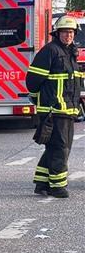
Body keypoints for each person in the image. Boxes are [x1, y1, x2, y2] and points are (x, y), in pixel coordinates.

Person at [27, 15, 84, 198]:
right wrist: (42, 102)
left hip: (66, 110)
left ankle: (42, 182)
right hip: (55, 109)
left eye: (71, 32)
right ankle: (57, 186)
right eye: (65, 32)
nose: (68, 35)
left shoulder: (70, 53)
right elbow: (33, 81)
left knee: (53, 147)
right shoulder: (50, 51)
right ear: (57, 33)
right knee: (61, 147)